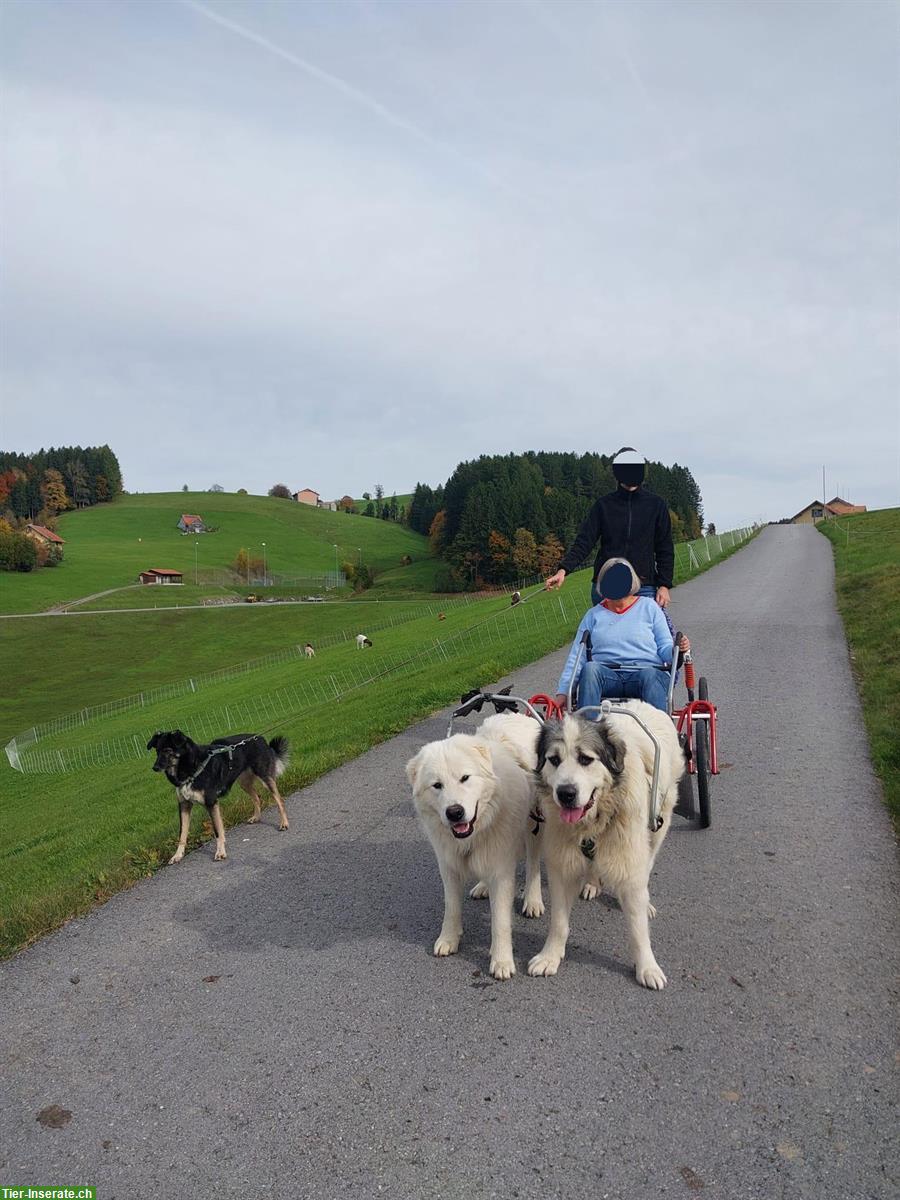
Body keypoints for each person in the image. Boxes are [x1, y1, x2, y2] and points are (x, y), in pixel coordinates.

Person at [554, 558, 689, 714]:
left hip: (645, 673)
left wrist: (676, 650)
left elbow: (664, 646)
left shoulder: (649, 607)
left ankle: (659, 733)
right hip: (608, 676)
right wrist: (563, 691)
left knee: (649, 675)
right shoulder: (593, 616)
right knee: (590, 669)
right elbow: (577, 657)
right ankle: (588, 733)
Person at [545, 447, 674, 609]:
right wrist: (563, 570)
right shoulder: (603, 506)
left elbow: (665, 548)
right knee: (604, 633)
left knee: (647, 634)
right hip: (606, 587)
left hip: (643, 587)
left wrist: (664, 585)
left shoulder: (656, 505)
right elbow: (584, 541)